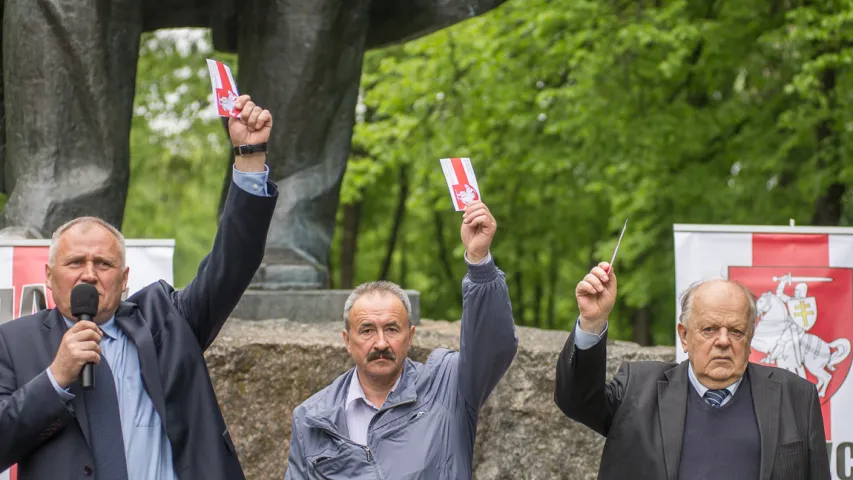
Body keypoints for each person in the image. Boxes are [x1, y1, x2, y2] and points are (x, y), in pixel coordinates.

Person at [0, 94, 277, 480]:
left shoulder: (168, 321)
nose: (89, 274)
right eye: (75, 262)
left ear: (125, 279)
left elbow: (232, 263)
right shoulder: (13, 343)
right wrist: (56, 378)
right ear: (49, 276)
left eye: (104, 263)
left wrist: (249, 157)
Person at [284, 201, 518, 479]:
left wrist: (479, 262)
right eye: (367, 330)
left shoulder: (448, 386)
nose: (381, 343)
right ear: (347, 340)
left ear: (410, 336)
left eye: (392, 329)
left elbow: (493, 345)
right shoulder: (312, 418)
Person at [554, 262, 831, 480]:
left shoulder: (796, 396)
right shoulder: (637, 389)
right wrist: (592, 322)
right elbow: (577, 402)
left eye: (735, 331)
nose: (723, 341)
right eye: (709, 329)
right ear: (684, 336)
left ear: (750, 338)